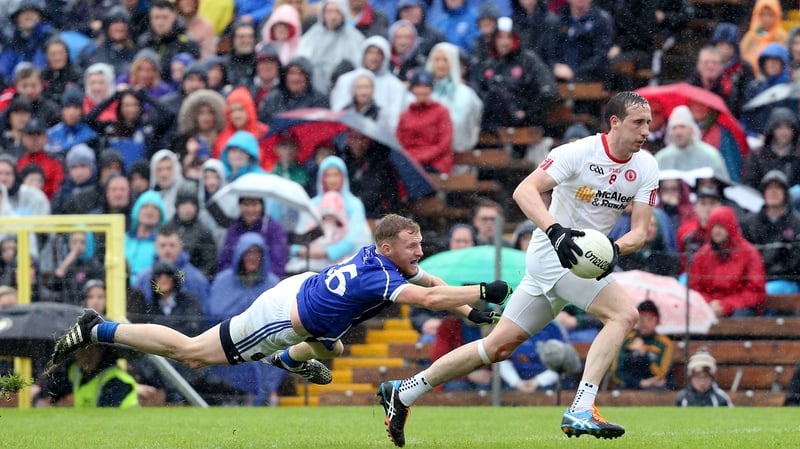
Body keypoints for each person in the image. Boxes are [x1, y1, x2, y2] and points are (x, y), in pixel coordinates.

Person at [376, 91, 658, 445]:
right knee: (624, 315)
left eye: (649, 122)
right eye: (639, 122)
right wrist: (556, 232)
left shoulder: (645, 166)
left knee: (495, 348)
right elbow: (525, 191)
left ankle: (404, 391)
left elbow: (640, 232)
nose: (647, 130)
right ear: (615, 122)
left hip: (581, 265)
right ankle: (582, 407)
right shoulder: (577, 153)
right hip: (551, 255)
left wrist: (612, 249)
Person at [48, 214, 512, 398]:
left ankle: (292, 358)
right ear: (388, 248)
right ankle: (98, 328)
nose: (420, 251)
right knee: (191, 352)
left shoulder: (384, 257)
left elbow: (430, 281)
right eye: (413, 245)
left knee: (334, 350)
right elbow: (430, 297)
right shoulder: (380, 272)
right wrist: (481, 292)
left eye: (420, 243)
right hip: (278, 317)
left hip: (303, 294)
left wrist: (470, 313)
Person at [688, 206, 767, 317]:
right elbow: (694, 288)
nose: (716, 230)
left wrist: (726, 305)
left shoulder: (749, 253)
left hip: (738, 308)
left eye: (721, 226)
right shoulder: (702, 255)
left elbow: (755, 292)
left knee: (740, 318)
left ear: (730, 227)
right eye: (713, 226)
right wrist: (709, 303)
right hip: (709, 307)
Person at [741, 170, 800, 298]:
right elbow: (743, 256)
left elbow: (794, 262)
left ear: (785, 193)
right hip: (755, 280)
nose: (773, 192)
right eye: (769, 188)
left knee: (764, 294)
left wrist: (771, 271)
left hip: (785, 281)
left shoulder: (796, 223)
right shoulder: (749, 223)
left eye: (778, 188)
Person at [610, 300, 674, 390]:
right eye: (642, 318)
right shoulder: (626, 340)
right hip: (629, 386)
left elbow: (661, 373)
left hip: (654, 386)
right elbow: (616, 371)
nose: (644, 323)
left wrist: (644, 355)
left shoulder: (664, 343)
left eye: (649, 319)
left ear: (657, 321)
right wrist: (639, 382)